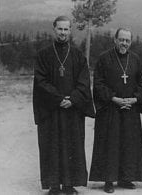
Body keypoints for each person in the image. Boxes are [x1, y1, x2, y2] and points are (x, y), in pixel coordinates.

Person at [33, 16, 95, 195]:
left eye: (66, 29)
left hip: (72, 110)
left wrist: (73, 99)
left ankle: (69, 184)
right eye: (60, 29)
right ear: (54, 29)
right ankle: (53, 185)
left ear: (70, 30)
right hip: (51, 109)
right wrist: (59, 98)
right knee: (51, 145)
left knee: (72, 145)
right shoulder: (44, 55)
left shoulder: (78, 56)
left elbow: (84, 82)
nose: (63, 33)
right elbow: (40, 81)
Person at [89, 27, 142, 193]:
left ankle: (126, 178)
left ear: (131, 42)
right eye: (121, 40)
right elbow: (98, 84)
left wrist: (135, 99)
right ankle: (108, 179)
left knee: (128, 144)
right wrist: (114, 99)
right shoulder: (104, 58)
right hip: (110, 109)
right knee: (110, 144)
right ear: (115, 40)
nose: (124, 43)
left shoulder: (135, 59)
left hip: (130, 109)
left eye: (127, 41)